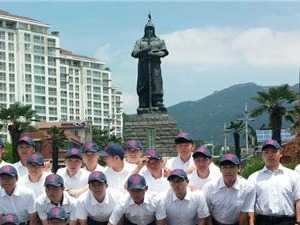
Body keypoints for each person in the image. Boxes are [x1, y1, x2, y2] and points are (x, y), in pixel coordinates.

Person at [248, 139, 300, 225]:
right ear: (262, 155)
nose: (270, 155)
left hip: (287, 221)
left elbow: (298, 200)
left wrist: (298, 221)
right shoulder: (253, 178)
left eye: (274, 151)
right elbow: (250, 205)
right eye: (266, 152)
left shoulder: (293, 175)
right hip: (263, 221)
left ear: (280, 154)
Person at [203, 153, 255, 225]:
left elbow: (243, 215)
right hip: (214, 222)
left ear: (239, 168)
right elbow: (207, 213)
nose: (228, 171)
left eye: (232, 167)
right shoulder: (209, 187)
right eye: (225, 167)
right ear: (220, 169)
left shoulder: (248, 187)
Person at [131, 14, 169, 112]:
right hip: (143, 67)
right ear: (145, 30)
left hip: (155, 66)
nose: (149, 31)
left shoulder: (159, 41)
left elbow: (164, 52)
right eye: (147, 29)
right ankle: (143, 103)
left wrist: (154, 54)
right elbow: (134, 53)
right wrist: (144, 50)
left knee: (156, 83)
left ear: (154, 30)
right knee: (143, 84)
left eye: (151, 29)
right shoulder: (140, 42)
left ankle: (158, 101)